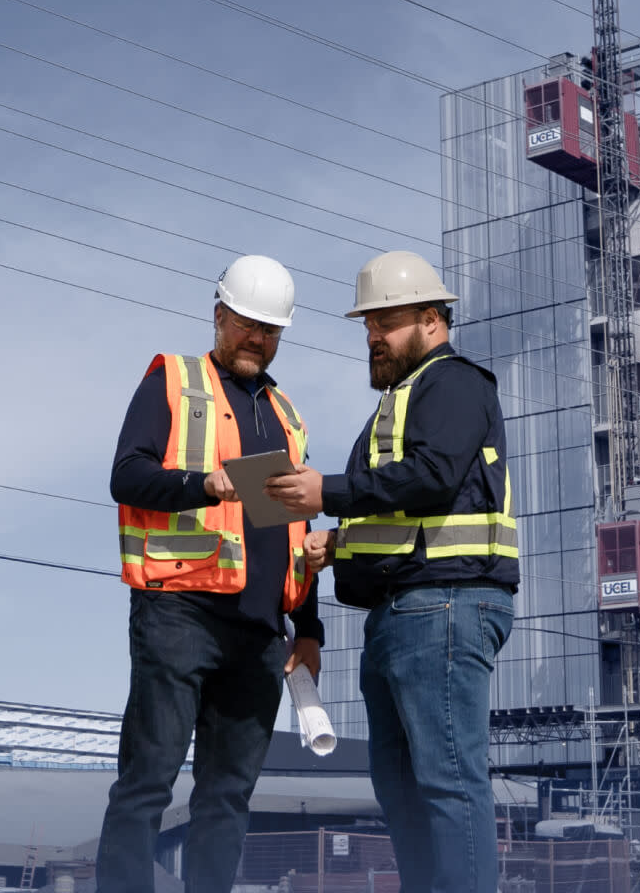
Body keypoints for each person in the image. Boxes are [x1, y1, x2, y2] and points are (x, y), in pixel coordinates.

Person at [265, 249, 516, 893]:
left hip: (447, 607)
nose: (372, 336)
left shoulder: (455, 383)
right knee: (404, 789)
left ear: (432, 320)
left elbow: (433, 479)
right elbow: (407, 521)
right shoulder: (401, 402)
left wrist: (329, 494)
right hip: (406, 613)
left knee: (448, 780)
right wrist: (337, 547)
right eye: (367, 324)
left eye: (386, 321)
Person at [96, 254, 324, 893]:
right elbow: (126, 475)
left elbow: (293, 532)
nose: (258, 338)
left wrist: (308, 627)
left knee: (227, 796)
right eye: (248, 323)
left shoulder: (288, 417)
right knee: (148, 779)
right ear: (219, 315)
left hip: (259, 630)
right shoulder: (173, 380)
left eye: (271, 329)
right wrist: (205, 483)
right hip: (179, 614)